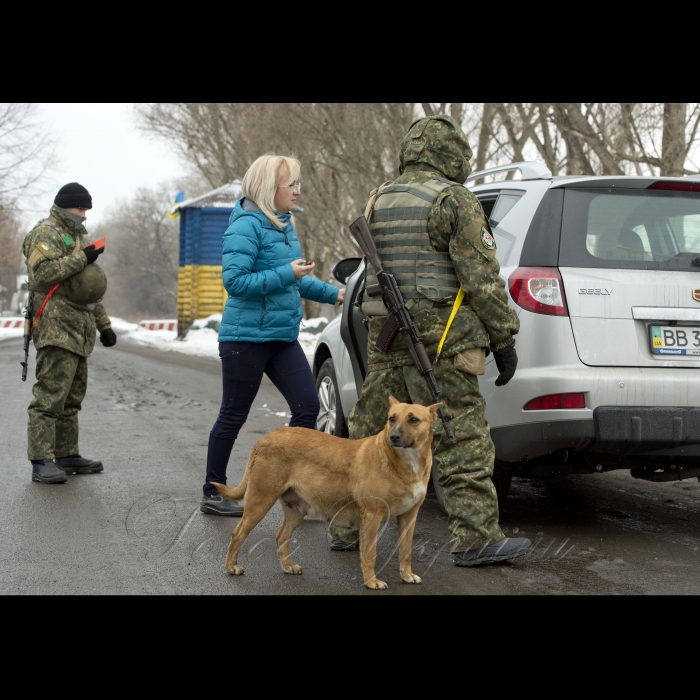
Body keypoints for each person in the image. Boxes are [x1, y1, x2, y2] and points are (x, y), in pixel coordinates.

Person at [330, 115, 532, 566]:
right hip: (442, 341)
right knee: (462, 438)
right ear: (451, 154)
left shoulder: (379, 197)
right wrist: (503, 336)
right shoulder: (454, 198)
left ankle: (346, 525)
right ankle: (477, 538)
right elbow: (480, 278)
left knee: (366, 435)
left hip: (386, 340)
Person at [200, 154, 345, 515]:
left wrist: (336, 294)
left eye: (297, 183)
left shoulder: (284, 225)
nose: (298, 190)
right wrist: (287, 273)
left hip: (281, 337)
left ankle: (294, 490)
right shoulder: (245, 226)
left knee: (307, 406)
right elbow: (235, 282)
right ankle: (212, 492)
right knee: (233, 414)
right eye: (291, 184)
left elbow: (294, 278)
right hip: (244, 338)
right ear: (269, 188)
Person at [23, 182, 117, 484]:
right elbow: (43, 273)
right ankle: (41, 460)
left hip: (79, 328)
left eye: (87, 209)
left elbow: (86, 290)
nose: (84, 215)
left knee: (72, 398)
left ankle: (66, 454)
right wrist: (83, 258)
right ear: (65, 206)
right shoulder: (45, 233)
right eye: (80, 209)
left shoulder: (78, 236)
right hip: (54, 327)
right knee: (50, 396)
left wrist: (104, 325)